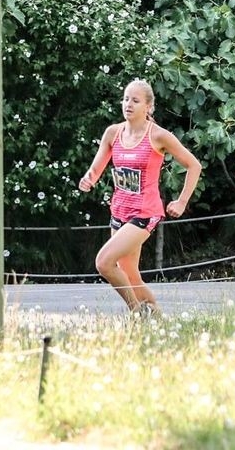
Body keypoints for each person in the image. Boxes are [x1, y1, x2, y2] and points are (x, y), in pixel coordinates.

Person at [78, 79, 202, 315]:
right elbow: (96, 169)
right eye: (126, 99)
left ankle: (136, 313)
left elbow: (193, 165)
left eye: (135, 100)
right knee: (130, 273)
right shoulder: (113, 133)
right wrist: (88, 179)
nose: (128, 104)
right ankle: (156, 318)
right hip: (119, 211)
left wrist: (182, 200)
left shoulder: (158, 136)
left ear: (148, 107)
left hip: (145, 212)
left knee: (104, 262)